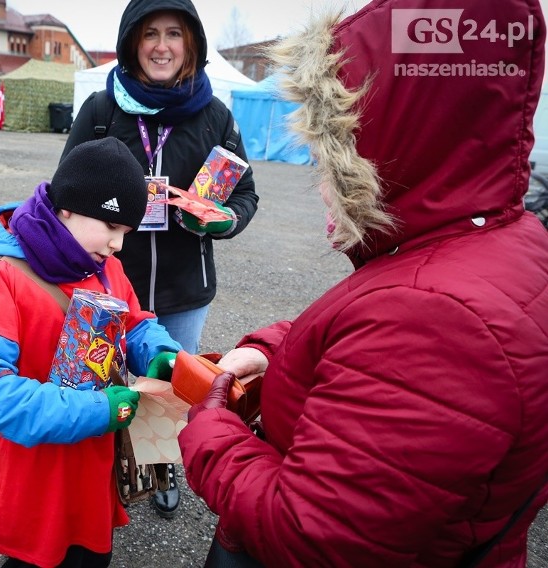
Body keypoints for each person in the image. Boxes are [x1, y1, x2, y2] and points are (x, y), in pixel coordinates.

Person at [177, 0, 548, 566]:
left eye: (333, 152)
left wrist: (209, 431)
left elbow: (306, 531)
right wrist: (273, 351)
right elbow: (369, 344)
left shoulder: (438, 317)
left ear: (388, 145)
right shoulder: (500, 240)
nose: (321, 178)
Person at [59, 0, 259, 520]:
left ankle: (162, 466)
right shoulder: (102, 110)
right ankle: (102, 469)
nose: (162, 45)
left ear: (191, 44)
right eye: (150, 34)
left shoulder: (216, 116)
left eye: (174, 33)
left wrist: (223, 219)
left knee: (171, 386)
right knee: (100, 377)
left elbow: (245, 194)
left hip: (183, 287)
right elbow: (67, 187)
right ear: (132, 43)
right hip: (107, 280)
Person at [0, 137, 182, 568]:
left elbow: (134, 323)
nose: (118, 246)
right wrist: (97, 411)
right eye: (112, 227)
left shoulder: (105, 267)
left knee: (92, 556)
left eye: (127, 234)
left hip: (94, 468)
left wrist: (160, 354)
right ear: (68, 207)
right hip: (37, 473)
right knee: (40, 561)